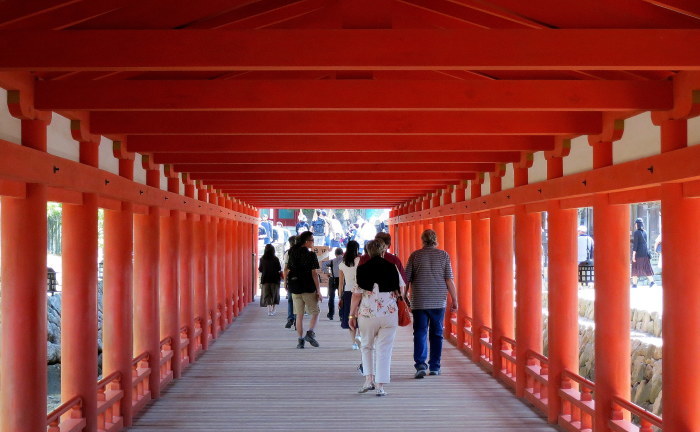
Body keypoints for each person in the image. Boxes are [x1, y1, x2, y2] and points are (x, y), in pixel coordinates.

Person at [349, 239, 402, 397]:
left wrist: (352, 315)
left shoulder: (362, 269)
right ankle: (380, 385)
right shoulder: (392, 268)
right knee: (384, 349)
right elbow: (401, 290)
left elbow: (356, 295)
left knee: (366, 346)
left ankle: (368, 380)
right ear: (383, 251)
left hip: (367, 313)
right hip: (389, 312)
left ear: (368, 252)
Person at [405, 229, 458, 378]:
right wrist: (455, 299)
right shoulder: (443, 255)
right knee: (436, 334)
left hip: (419, 301)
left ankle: (421, 365)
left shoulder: (415, 255)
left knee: (420, 332)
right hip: (438, 301)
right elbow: (449, 279)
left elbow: (406, 278)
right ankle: (435, 366)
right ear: (435, 240)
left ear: (422, 240)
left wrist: (404, 297)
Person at [286, 231, 322, 348]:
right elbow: (314, 274)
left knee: (299, 315)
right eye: (312, 240)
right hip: (308, 287)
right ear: (306, 242)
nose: (313, 242)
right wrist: (319, 290)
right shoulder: (311, 255)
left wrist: (286, 283)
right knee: (315, 312)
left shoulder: (291, 252)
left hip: (295, 287)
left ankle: (300, 341)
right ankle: (310, 333)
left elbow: (287, 269)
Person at [339, 240, 361, 350]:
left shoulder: (342, 264)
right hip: (360, 291)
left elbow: (341, 283)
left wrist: (340, 296)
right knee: (361, 315)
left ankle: (354, 342)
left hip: (347, 292)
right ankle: (361, 337)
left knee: (350, 316)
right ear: (357, 249)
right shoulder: (359, 260)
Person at [258, 244, 282, 316]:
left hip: (265, 279)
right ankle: (273, 309)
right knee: (274, 294)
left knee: (267, 294)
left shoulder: (262, 259)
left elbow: (260, 269)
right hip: (275, 279)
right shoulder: (276, 259)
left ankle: (269, 310)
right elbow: (279, 268)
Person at [631, 218, 655, 288]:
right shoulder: (645, 232)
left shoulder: (636, 232)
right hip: (645, 253)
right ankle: (652, 282)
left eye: (635, 224)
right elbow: (642, 242)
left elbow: (635, 245)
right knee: (646, 267)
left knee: (635, 267)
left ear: (637, 224)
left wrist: (633, 255)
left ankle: (634, 284)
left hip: (638, 254)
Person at [321, 248, 343, 320]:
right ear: (342, 253)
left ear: (335, 254)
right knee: (341, 297)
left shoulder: (332, 261)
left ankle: (330, 314)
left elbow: (323, 264)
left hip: (333, 280)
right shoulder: (345, 260)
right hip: (342, 280)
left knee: (331, 297)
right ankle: (341, 315)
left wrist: (327, 272)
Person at [282, 235, 297, 329]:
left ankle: (290, 318)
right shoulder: (304, 252)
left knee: (291, 300)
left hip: (291, 278)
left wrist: (285, 281)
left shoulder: (288, 253)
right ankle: (297, 320)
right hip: (301, 279)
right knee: (299, 300)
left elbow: (285, 268)